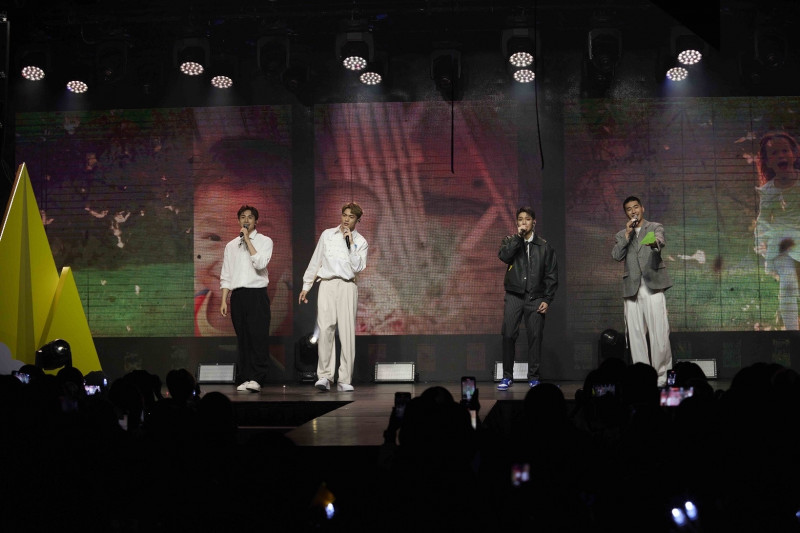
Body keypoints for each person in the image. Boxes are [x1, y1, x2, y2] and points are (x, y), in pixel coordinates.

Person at [299, 203, 368, 392]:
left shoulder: (361, 241)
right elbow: (316, 261)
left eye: (351, 217)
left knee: (346, 332)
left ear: (358, 220)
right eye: (344, 215)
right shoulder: (327, 235)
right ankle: (324, 376)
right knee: (325, 329)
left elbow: (358, 267)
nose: (346, 219)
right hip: (327, 283)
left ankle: (345, 379)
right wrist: (306, 286)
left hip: (347, 285)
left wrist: (350, 243)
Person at [611, 196, 673, 386]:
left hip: (653, 285)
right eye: (629, 209)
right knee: (636, 334)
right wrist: (627, 235)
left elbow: (659, 241)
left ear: (642, 209)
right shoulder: (622, 234)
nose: (633, 211)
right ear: (626, 213)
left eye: (636, 207)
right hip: (632, 288)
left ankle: (661, 376)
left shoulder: (654, 227)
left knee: (659, 332)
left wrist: (653, 243)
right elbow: (616, 255)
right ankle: (642, 376)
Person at [497, 207, 558, 391]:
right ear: (517, 222)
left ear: (534, 222)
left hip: (535, 297)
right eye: (520, 219)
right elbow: (504, 256)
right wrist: (518, 238)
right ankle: (507, 376)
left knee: (535, 337)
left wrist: (547, 299)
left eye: (527, 219)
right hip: (514, 295)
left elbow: (551, 274)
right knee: (508, 335)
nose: (524, 222)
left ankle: (534, 377)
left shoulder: (544, 246)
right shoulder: (510, 241)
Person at [219, 205, 273, 393]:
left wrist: (248, 240)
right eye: (243, 217)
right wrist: (224, 299)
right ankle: (246, 376)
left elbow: (260, 263)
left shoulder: (265, 241)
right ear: (238, 220)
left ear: (256, 221)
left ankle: (257, 378)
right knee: (243, 339)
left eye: (250, 217)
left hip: (256, 294)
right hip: (238, 296)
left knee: (258, 337)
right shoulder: (231, 245)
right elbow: (226, 274)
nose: (246, 220)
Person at [754, 131, 800, 330]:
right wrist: (761, 240)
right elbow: (763, 219)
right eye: (774, 153)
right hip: (781, 243)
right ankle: (792, 332)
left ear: (794, 154)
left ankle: (786, 317)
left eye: (785, 151)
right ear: (768, 161)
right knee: (788, 283)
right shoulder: (769, 191)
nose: (781, 155)